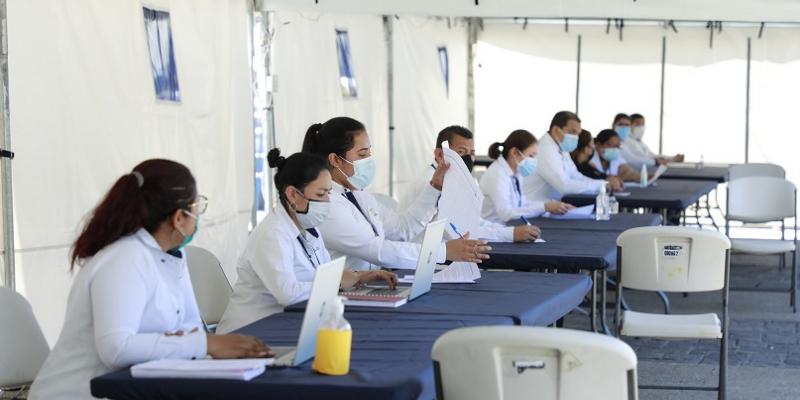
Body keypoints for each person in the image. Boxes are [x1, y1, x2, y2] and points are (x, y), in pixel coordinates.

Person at [29, 160, 271, 400]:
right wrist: (204, 344)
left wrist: (190, 342)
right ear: (179, 218)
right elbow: (116, 348)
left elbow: (189, 327)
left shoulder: (171, 255)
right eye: (198, 205)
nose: (198, 215)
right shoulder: (124, 259)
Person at [216, 150, 397, 334]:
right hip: (252, 330)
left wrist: (360, 276)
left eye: (328, 193)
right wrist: (339, 282)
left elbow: (324, 275)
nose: (327, 201)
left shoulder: (308, 226)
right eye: (320, 194)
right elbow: (288, 294)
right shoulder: (272, 234)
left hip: (293, 322)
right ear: (293, 194)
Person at [302, 117, 491, 271]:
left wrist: (435, 186)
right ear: (335, 159)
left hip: (366, 286)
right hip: (341, 297)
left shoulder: (358, 195)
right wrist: (442, 251)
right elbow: (376, 250)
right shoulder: (326, 205)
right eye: (361, 154)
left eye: (369, 152)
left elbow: (402, 228)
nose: (369, 159)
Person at [397, 125, 541, 243]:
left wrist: (504, 229)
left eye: (471, 153)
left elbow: (471, 220)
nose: (468, 158)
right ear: (439, 155)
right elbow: (458, 231)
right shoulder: (432, 183)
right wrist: (511, 234)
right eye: (461, 152)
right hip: (422, 262)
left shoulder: (450, 178)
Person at [523, 111, 621, 202]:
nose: (576, 137)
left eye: (578, 134)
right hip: (532, 210)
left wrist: (602, 184)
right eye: (572, 132)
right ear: (556, 130)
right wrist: (600, 185)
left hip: (550, 208)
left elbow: (576, 176)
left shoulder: (561, 147)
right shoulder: (545, 149)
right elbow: (564, 185)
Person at [480, 129, 574, 224]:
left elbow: (522, 203)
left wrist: (549, 205)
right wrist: (545, 207)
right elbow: (506, 213)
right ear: (514, 153)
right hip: (495, 231)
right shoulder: (497, 174)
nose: (533, 160)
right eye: (531, 155)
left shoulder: (516, 173)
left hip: (510, 226)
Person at [620, 113, 685, 169]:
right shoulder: (627, 141)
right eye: (637, 124)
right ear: (630, 126)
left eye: (643, 124)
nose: (641, 127)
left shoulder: (639, 142)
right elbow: (641, 157)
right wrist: (670, 159)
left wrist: (671, 158)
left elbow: (651, 155)